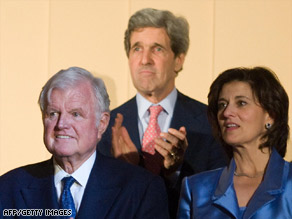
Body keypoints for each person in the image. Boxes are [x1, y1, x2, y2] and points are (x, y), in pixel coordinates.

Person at [97, 8, 227, 218]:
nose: (145, 59)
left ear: (178, 60)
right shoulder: (105, 126)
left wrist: (174, 172)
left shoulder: (210, 122)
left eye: (157, 49)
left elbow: (220, 200)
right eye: (136, 49)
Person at [0, 67, 169, 219]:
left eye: (75, 114)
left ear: (102, 123)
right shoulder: (9, 189)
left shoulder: (141, 189)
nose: (61, 124)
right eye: (53, 113)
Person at [177, 66, 292, 218]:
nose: (226, 113)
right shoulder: (196, 188)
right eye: (222, 105)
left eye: (241, 103)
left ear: (270, 115)